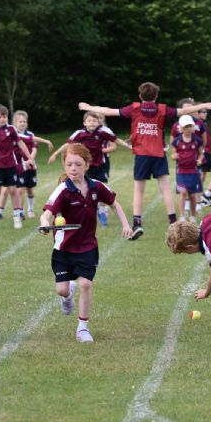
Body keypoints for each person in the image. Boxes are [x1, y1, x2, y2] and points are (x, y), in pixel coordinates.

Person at [78, 82, 211, 239]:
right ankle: (173, 221)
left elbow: (109, 111)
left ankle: (137, 223)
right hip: (158, 153)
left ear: (140, 96)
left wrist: (88, 107)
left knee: (139, 189)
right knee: (165, 188)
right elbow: (185, 111)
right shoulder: (162, 109)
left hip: (142, 154)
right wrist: (205, 105)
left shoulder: (134, 108)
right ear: (156, 96)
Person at [40, 143, 132, 343]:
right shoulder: (62, 190)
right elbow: (46, 214)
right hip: (63, 248)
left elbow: (114, 204)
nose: (73, 168)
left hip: (88, 245)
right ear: (64, 166)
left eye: (78, 164)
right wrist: (45, 224)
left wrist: (126, 224)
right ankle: (67, 296)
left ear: (87, 165)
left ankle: (82, 328)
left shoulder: (97, 186)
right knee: (62, 290)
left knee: (86, 283)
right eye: (69, 164)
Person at [48, 111, 118, 227]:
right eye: (89, 121)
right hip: (85, 167)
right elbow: (67, 144)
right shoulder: (80, 134)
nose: (92, 123)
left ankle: (102, 212)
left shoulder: (103, 132)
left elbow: (115, 143)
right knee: (86, 189)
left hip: (101, 165)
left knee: (102, 188)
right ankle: (84, 211)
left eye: (94, 121)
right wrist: (55, 154)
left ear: (99, 122)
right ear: (84, 123)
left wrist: (102, 150)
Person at [171, 115, 204, 222]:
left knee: (192, 195)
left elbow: (201, 153)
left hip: (193, 171)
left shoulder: (197, 140)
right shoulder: (177, 141)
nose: (188, 129)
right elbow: (173, 154)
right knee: (183, 192)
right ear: (181, 128)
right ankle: (182, 216)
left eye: (190, 126)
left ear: (193, 127)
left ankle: (192, 215)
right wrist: (174, 156)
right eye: (185, 127)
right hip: (181, 171)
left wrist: (200, 160)